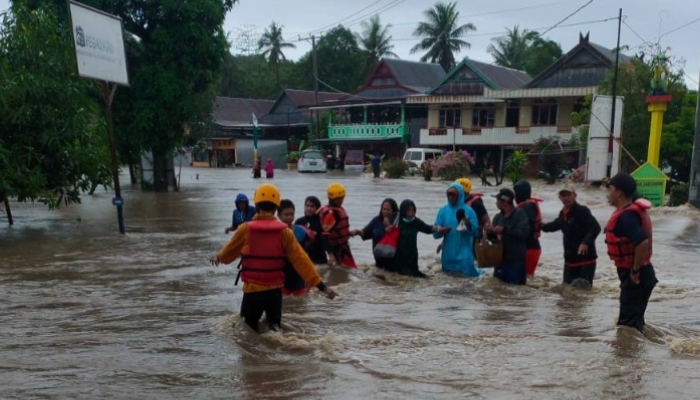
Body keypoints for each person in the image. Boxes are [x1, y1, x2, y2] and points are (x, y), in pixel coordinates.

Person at [209, 183, 337, 333]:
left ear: (256, 205)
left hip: (253, 291)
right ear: (276, 209)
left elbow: (229, 253)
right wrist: (322, 286)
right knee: (274, 329)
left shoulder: (245, 229)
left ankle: (253, 356)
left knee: (247, 329)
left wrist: (218, 257)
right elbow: (302, 261)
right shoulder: (285, 232)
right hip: (275, 292)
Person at [604, 172, 658, 331]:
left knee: (627, 327)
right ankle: (636, 354)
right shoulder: (630, 212)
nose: (610, 193)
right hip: (643, 274)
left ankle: (627, 355)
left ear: (619, 192)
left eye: (611, 189)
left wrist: (635, 271)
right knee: (633, 324)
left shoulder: (627, 216)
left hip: (637, 277)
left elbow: (642, 242)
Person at [541, 182, 601, 287]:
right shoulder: (562, 214)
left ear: (575, 196)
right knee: (566, 296)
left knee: (582, 295)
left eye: (568, 195)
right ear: (559, 197)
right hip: (570, 262)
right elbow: (552, 226)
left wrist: (585, 242)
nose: (566, 198)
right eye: (563, 195)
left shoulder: (582, 211)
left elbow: (596, 227)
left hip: (585, 261)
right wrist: (538, 225)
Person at [433, 183, 481, 277]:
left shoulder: (469, 211)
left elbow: (476, 232)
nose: (451, 197)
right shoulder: (443, 211)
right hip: (448, 256)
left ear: (460, 195)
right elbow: (435, 234)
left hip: (465, 255)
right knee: (448, 285)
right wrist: (441, 231)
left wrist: (468, 223)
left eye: (454, 194)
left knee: (467, 283)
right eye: (449, 194)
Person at [392, 199, 447, 278]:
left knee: (414, 276)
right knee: (398, 277)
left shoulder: (416, 222)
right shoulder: (396, 220)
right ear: (403, 210)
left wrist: (439, 229)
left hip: (412, 255)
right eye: (408, 210)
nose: (411, 213)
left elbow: (428, 228)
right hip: (398, 256)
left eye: (413, 210)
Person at [485, 188, 529, 285]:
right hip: (499, 261)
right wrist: (489, 233)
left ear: (505, 202)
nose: (496, 203)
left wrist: (505, 230)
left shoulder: (520, 214)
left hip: (515, 262)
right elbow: (494, 240)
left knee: (515, 291)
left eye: (498, 200)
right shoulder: (497, 217)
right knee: (499, 291)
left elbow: (524, 233)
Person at [278, 199, 314, 295]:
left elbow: (306, 256)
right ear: (279, 216)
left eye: (292, 214)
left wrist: (309, 277)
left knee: (301, 304)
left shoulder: (301, 232)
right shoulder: (275, 233)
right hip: (281, 277)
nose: (289, 217)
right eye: (286, 215)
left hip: (298, 276)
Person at [318, 182, 357, 268]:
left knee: (348, 269)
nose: (341, 200)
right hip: (337, 248)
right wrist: (331, 255)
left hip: (342, 245)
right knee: (350, 269)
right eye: (338, 198)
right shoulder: (331, 214)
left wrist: (348, 233)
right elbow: (324, 236)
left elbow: (336, 229)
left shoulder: (336, 210)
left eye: (342, 198)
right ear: (331, 198)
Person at [353, 198, 399, 271]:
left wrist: (388, 225)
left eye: (388, 209)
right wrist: (358, 232)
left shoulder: (397, 223)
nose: (385, 212)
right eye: (384, 209)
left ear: (394, 211)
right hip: (378, 263)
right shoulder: (376, 220)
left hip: (394, 263)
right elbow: (366, 232)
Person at [514, 179, 543, 277]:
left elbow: (528, 226)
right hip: (530, 248)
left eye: (517, 192)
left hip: (530, 249)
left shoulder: (527, 207)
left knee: (526, 277)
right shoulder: (529, 205)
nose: (515, 196)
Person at [294, 196, 328, 264]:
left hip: (319, 259)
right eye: (307, 206)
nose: (309, 208)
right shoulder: (299, 222)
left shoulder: (322, 222)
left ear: (317, 208)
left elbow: (328, 239)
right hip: (303, 259)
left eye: (312, 206)